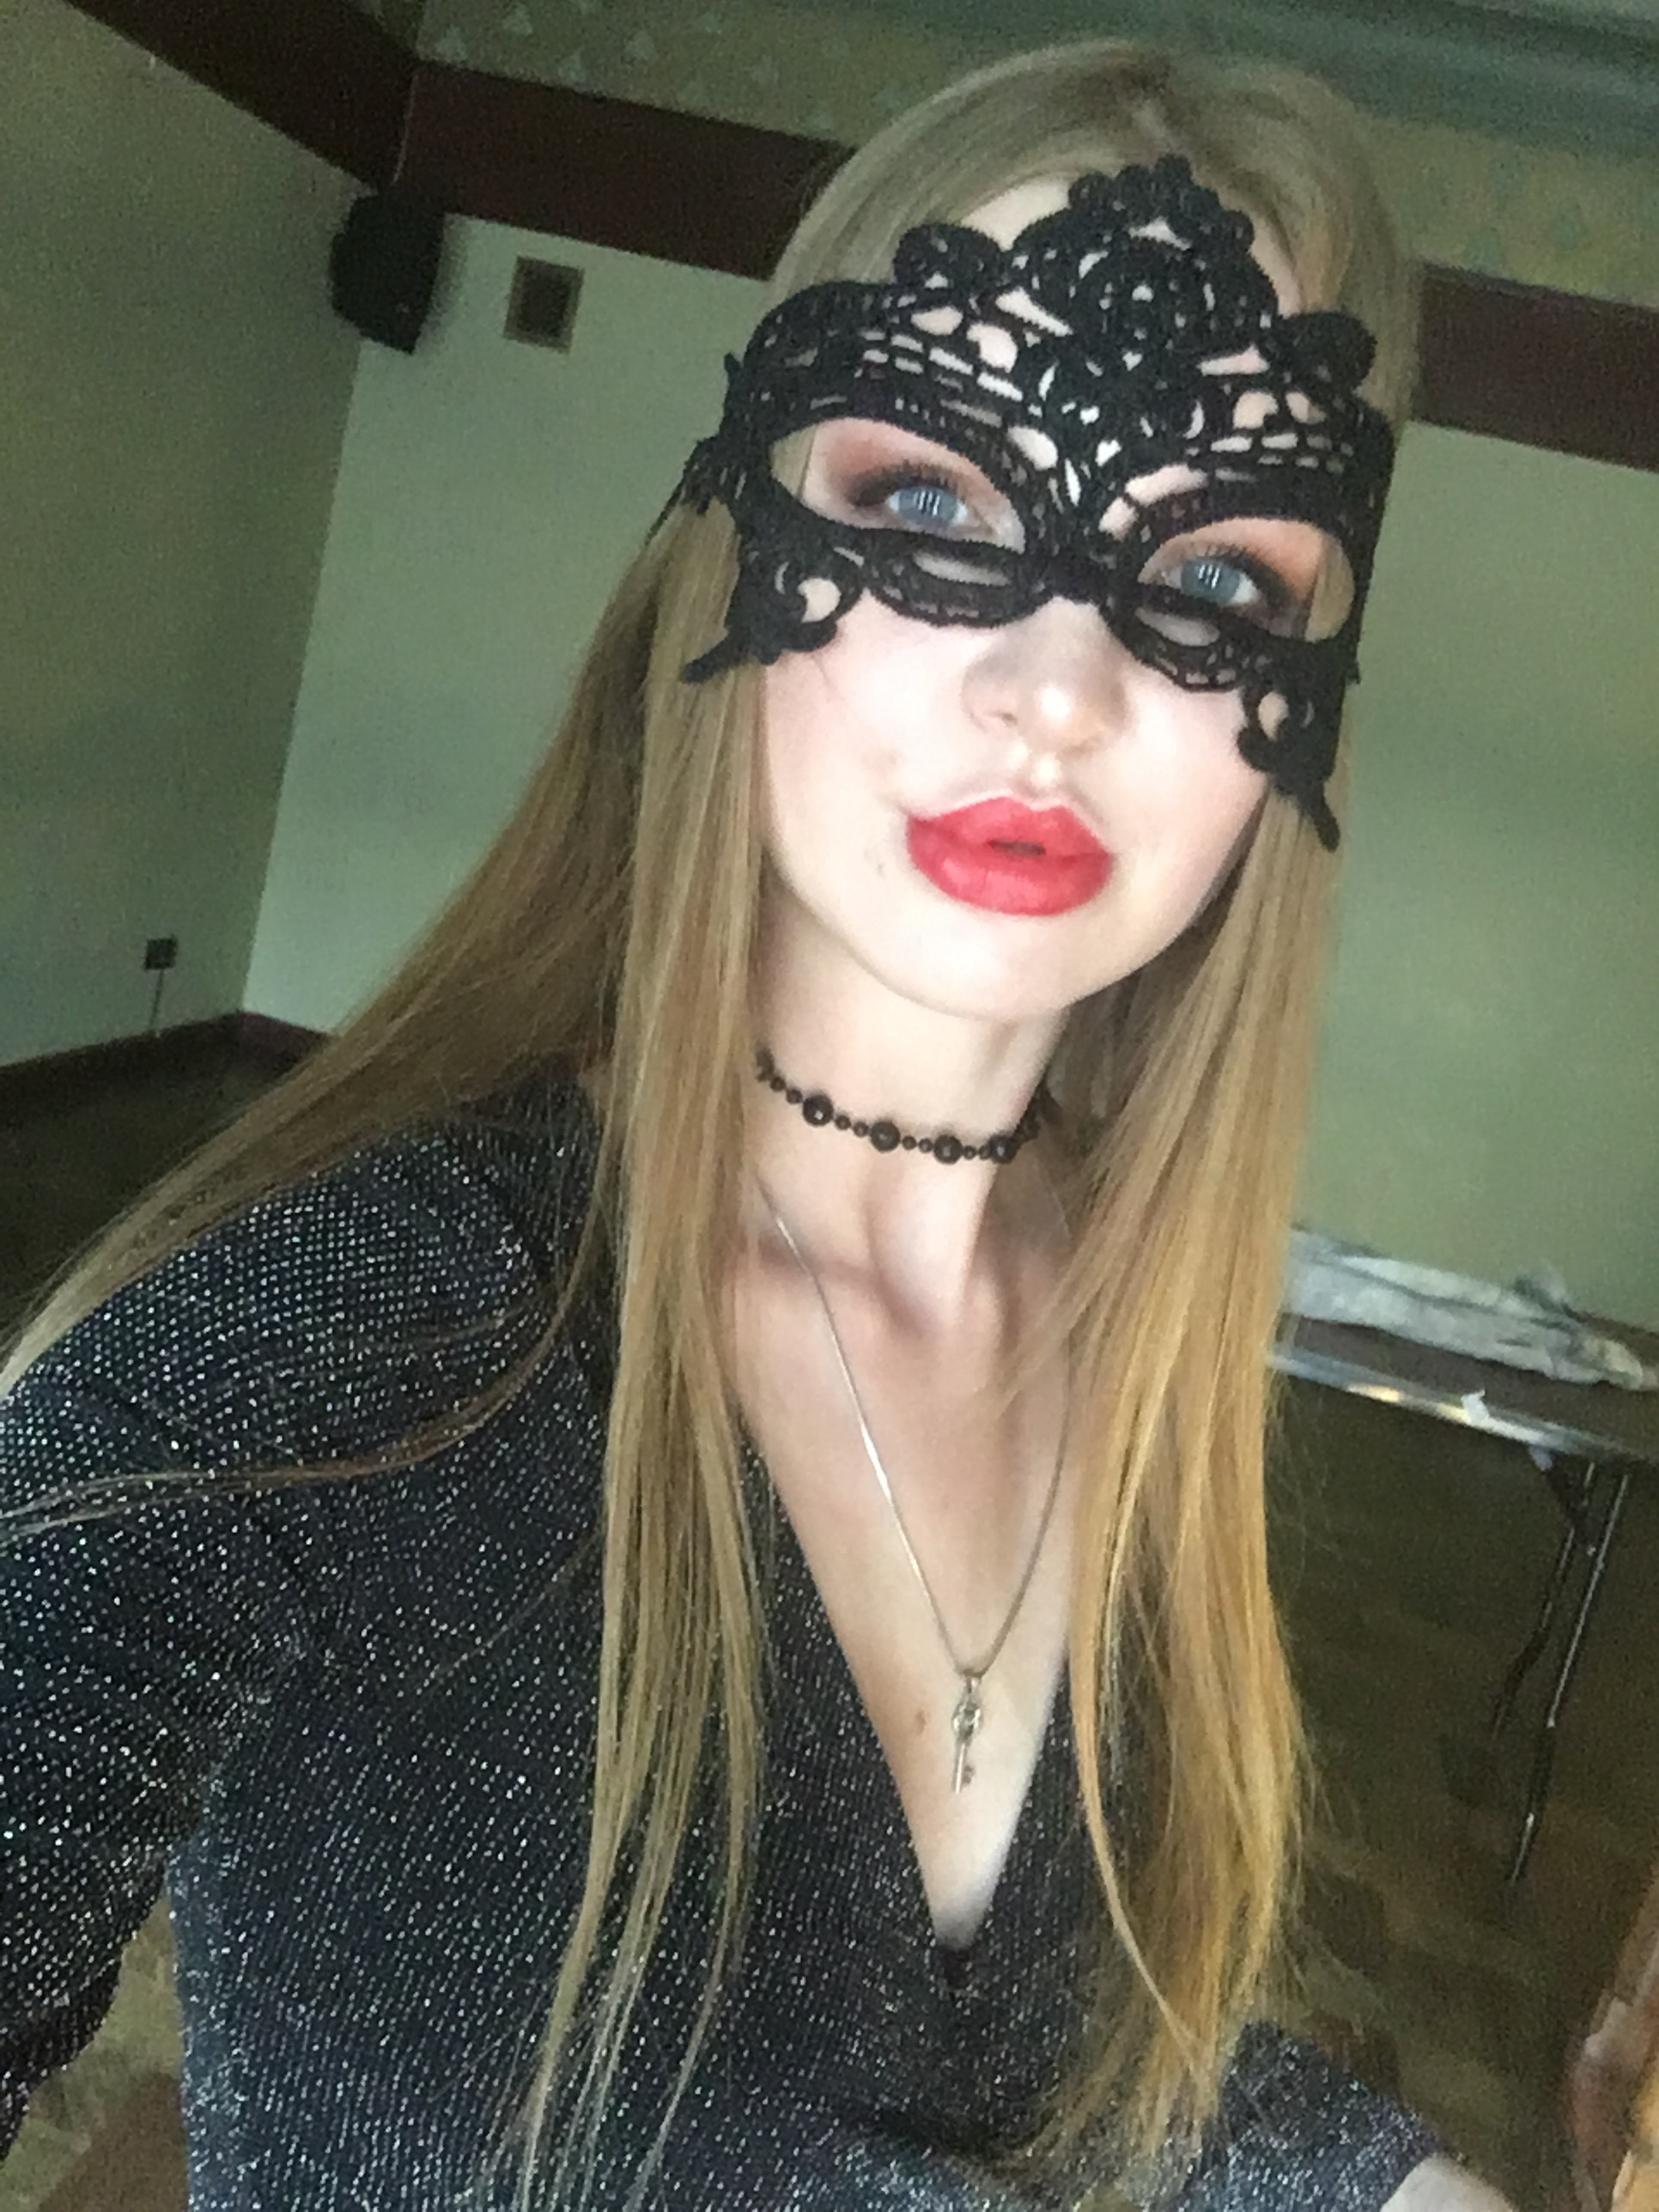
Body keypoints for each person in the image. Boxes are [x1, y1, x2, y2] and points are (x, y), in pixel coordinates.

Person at [1, 38, 1515, 2212]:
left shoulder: (1128, 1326)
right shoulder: (346, 1328)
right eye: (934, 506)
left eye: (1212, 586)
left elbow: (1061, 2069)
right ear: (735, 543)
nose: (1057, 690)